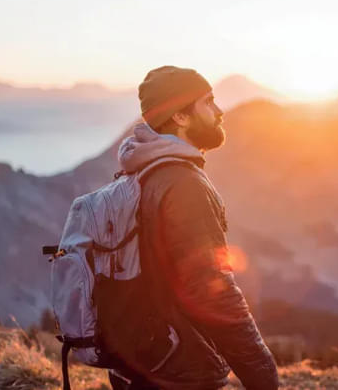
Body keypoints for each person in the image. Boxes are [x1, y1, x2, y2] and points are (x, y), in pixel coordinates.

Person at [109, 66, 279, 390]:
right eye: (208, 102)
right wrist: (262, 372)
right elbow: (211, 290)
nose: (219, 111)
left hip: (138, 360)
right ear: (181, 117)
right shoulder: (183, 184)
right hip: (180, 369)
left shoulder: (138, 172)